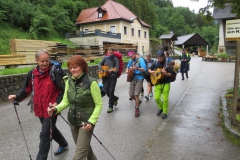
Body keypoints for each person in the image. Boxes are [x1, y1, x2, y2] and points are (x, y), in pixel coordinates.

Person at [8, 49, 68, 160]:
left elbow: (63, 90)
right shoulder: (32, 73)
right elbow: (26, 89)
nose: (45, 63)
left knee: (44, 135)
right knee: (50, 128)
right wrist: (16, 96)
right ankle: (63, 143)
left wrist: (56, 104)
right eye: (42, 61)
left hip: (52, 109)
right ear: (36, 60)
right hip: (39, 108)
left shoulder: (54, 72)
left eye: (47, 61)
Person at [48, 55, 103, 160]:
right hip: (73, 122)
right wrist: (55, 109)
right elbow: (66, 101)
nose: (72, 70)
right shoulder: (69, 81)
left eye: (75, 67)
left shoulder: (91, 83)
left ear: (82, 66)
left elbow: (99, 104)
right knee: (85, 149)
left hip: (86, 123)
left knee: (78, 155)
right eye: (71, 68)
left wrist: (91, 122)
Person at [148, 50, 175, 119]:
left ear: (163, 57)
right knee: (156, 98)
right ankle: (161, 108)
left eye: (160, 58)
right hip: (157, 83)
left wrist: (165, 73)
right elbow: (149, 69)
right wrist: (152, 72)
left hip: (166, 83)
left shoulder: (168, 63)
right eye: (158, 58)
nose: (159, 59)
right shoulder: (156, 62)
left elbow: (171, 74)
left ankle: (165, 112)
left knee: (165, 99)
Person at [125, 51, 147, 118]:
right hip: (132, 78)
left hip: (140, 78)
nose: (131, 57)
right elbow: (128, 67)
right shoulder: (131, 61)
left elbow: (144, 69)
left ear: (135, 54)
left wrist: (136, 68)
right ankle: (138, 101)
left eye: (132, 56)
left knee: (136, 94)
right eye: (130, 56)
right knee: (131, 95)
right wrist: (127, 70)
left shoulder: (141, 60)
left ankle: (137, 109)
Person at [98, 47, 119, 113]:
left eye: (111, 53)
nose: (110, 54)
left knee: (111, 92)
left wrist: (111, 70)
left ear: (113, 52)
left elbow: (117, 69)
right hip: (105, 77)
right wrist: (101, 70)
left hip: (113, 77)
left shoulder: (116, 59)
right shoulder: (105, 58)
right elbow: (99, 64)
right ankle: (115, 98)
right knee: (106, 91)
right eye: (109, 53)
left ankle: (110, 107)